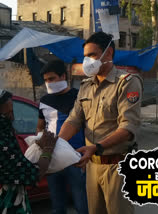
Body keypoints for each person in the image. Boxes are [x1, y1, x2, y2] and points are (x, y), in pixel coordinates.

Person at [58, 31, 143, 214]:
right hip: (91, 166)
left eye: (92, 55)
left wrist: (96, 147)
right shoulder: (86, 86)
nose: (87, 61)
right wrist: (57, 144)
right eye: (85, 56)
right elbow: (74, 119)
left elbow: (128, 127)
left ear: (109, 54)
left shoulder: (126, 83)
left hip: (117, 166)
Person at [0, 87, 57, 214]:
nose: (11, 118)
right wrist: (48, 150)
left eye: (12, 112)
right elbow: (33, 175)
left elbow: (17, 164)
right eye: (6, 114)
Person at [36, 60, 88, 214]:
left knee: (81, 202)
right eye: (46, 80)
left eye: (51, 79)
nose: (48, 83)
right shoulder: (45, 101)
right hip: (53, 157)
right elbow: (40, 126)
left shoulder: (79, 96)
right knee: (57, 204)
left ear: (63, 76)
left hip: (76, 157)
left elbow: (88, 126)